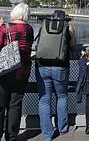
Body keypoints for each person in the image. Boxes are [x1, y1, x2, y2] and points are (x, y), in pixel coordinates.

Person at [0, 3, 34, 141]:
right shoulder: (29, 29)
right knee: (15, 106)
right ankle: (11, 137)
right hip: (22, 72)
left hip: (2, 73)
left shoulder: (4, 28)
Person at [35, 10, 75, 141]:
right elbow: (72, 45)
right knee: (62, 96)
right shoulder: (67, 27)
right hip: (60, 66)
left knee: (44, 99)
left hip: (42, 65)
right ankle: (62, 128)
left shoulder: (44, 25)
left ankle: (47, 134)